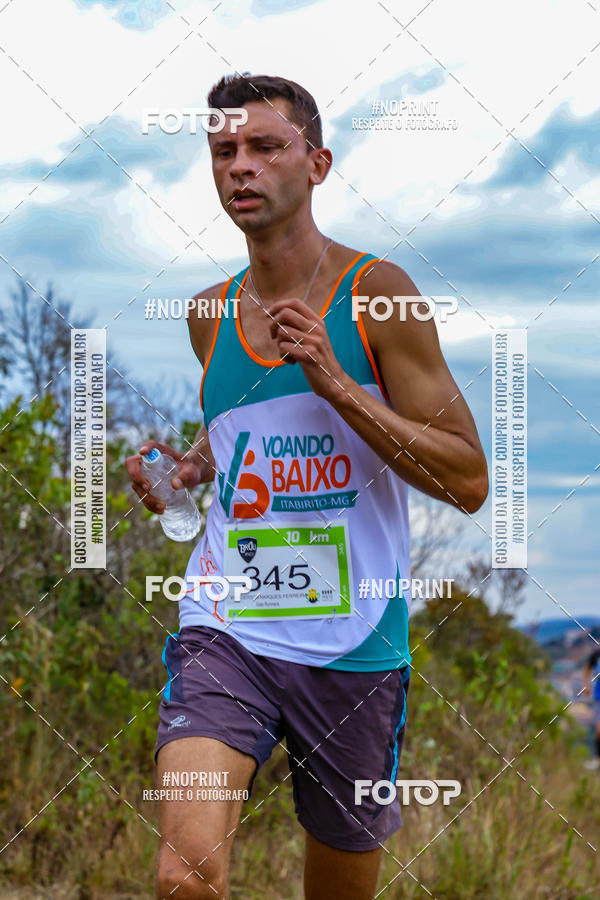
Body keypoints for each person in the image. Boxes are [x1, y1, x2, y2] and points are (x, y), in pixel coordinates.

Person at [126, 73, 488, 899]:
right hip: (229, 629)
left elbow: (467, 478)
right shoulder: (207, 314)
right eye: (224, 152)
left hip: (354, 644)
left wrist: (338, 381)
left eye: (264, 147)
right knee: (186, 874)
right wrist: (190, 471)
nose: (240, 168)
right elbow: (248, 428)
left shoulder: (380, 295)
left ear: (318, 163)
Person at [583, 647, 600, 770]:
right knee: (599, 729)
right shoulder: (597, 654)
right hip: (599, 697)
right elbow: (587, 668)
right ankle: (596, 758)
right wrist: (586, 685)